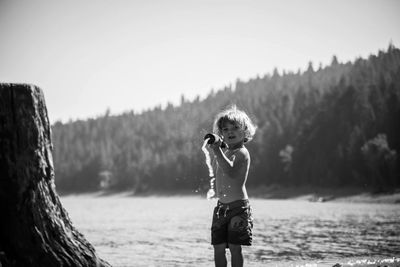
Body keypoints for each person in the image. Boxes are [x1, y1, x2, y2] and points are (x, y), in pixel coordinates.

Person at [207, 105, 256, 267]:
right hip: (221, 208)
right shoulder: (226, 152)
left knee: (235, 247)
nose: (230, 132)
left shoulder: (242, 152)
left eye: (235, 128)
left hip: (238, 207)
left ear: (245, 131)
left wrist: (217, 151)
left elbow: (231, 171)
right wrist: (219, 148)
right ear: (221, 133)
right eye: (225, 129)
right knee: (218, 247)